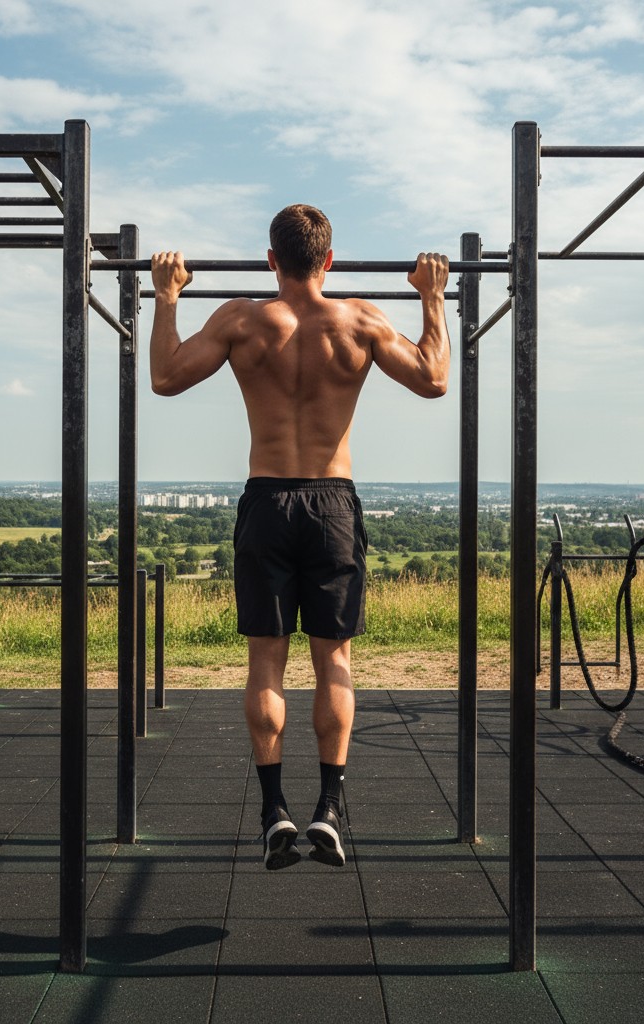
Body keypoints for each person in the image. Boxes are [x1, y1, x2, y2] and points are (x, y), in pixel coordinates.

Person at [150, 204, 450, 870]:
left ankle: (273, 809)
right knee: (333, 663)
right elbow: (434, 378)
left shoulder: (240, 319)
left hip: (267, 501)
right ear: (330, 261)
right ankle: (330, 808)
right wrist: (433, 299)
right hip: (332, 502)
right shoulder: (361, 320)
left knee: (265, 664)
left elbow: (165, 377)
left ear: (270, 261)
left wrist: (166, 298)